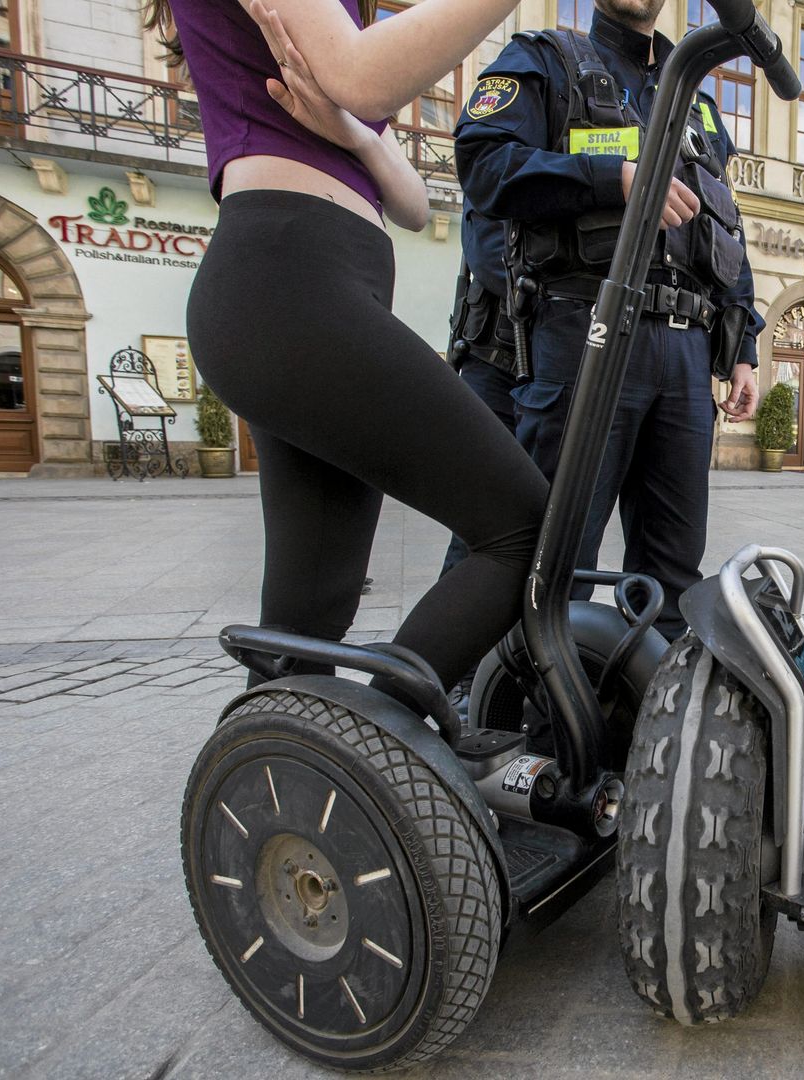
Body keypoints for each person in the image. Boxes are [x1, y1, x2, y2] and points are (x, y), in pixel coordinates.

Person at [148, 0, 548, 705]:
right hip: (287, 282)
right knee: (524, 525)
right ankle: (369, 745)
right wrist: (355, 112)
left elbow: (413, 202)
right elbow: (363, 78)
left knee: (310, 613)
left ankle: (278, 790)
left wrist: (352, 135)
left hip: (307, 292)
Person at [452, 0, 763, 637]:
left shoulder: (694, 101)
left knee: (674, 570)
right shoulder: (544, 61)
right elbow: (483, 166)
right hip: (584, 330)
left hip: (683, 349)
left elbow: (723, 224)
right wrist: (609, 179)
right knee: (555, 552)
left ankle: (647, 715)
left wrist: (741, 339)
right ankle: (527, 714)